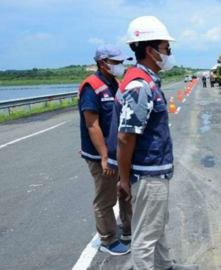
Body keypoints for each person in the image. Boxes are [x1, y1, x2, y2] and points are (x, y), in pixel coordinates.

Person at [107, 16, 199, 270]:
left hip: (153, 170)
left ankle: (165, 266)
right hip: (147, 172)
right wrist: (124, 180)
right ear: (149, 50)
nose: (170, 53)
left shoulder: (146, 80)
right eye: (166, 48)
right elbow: (126, 137)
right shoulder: (139, 86)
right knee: (145, 234)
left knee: (156, 223)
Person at [77, 44, 133, 255]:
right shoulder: (92, 87)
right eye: (116, 62)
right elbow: (92, 125)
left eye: (121, 62)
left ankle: (128, 230)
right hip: (103, 156)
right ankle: (108, 240)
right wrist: (104, 157)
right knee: (106, 198)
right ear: (102, 63)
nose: (121, 65)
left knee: (126, 192)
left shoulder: (114, 84)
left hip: (119, 152)